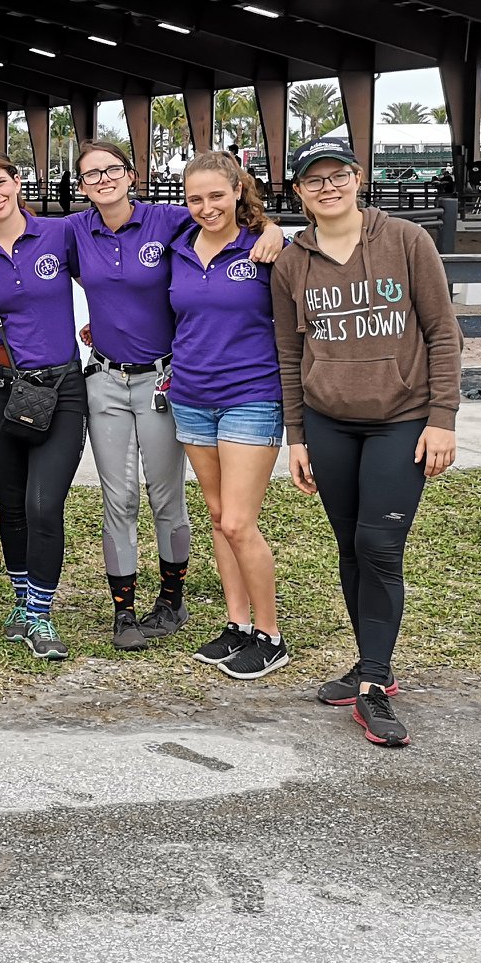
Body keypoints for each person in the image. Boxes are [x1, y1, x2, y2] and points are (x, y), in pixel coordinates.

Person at [273, 138, 463, 748]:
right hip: (328, 422)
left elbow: (442, 334)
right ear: (298, 191)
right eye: (313, 180)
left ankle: (375, 684)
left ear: (358, 178)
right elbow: (289, 352)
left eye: (337, 176)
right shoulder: (291, 262)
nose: (327, 188)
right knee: (350, 547)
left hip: (400, 419)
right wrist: (297, 436)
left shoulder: (408, 241)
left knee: (379, 546)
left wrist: (443, 418)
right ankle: (367, 662)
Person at [66, 141, 283, 652]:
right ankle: (125, 610)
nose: (102, 180)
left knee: (170, 497)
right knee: (118, 497)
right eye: (90, 175)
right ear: (80, 185)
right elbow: (20, 232)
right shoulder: (74, 229)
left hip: (166, 380)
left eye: (111, 170)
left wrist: (272, 229)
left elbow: (231, 223)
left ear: (131, 173)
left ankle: (173, 597)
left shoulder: (169, 221)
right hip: (107, 379)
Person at [168, 151, 290, 681]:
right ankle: (237, 623)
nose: (206, 207)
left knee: (240, 521)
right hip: (192, 396)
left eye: (216, 195)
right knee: (219, 519)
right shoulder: (177, 247)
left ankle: (271, 634)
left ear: (239, 190)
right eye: (195, 199)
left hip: (252, 395)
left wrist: (280, 230)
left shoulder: (264, 248)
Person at [0, 150, 87, 663]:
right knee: (12, 504)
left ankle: (41, 613)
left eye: (0, 183)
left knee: (43, 503)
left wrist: (261, 230)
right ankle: (22, 607)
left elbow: (111, 272)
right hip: (1, 387)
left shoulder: (61, 233)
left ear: (18, 182)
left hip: (62, 389)